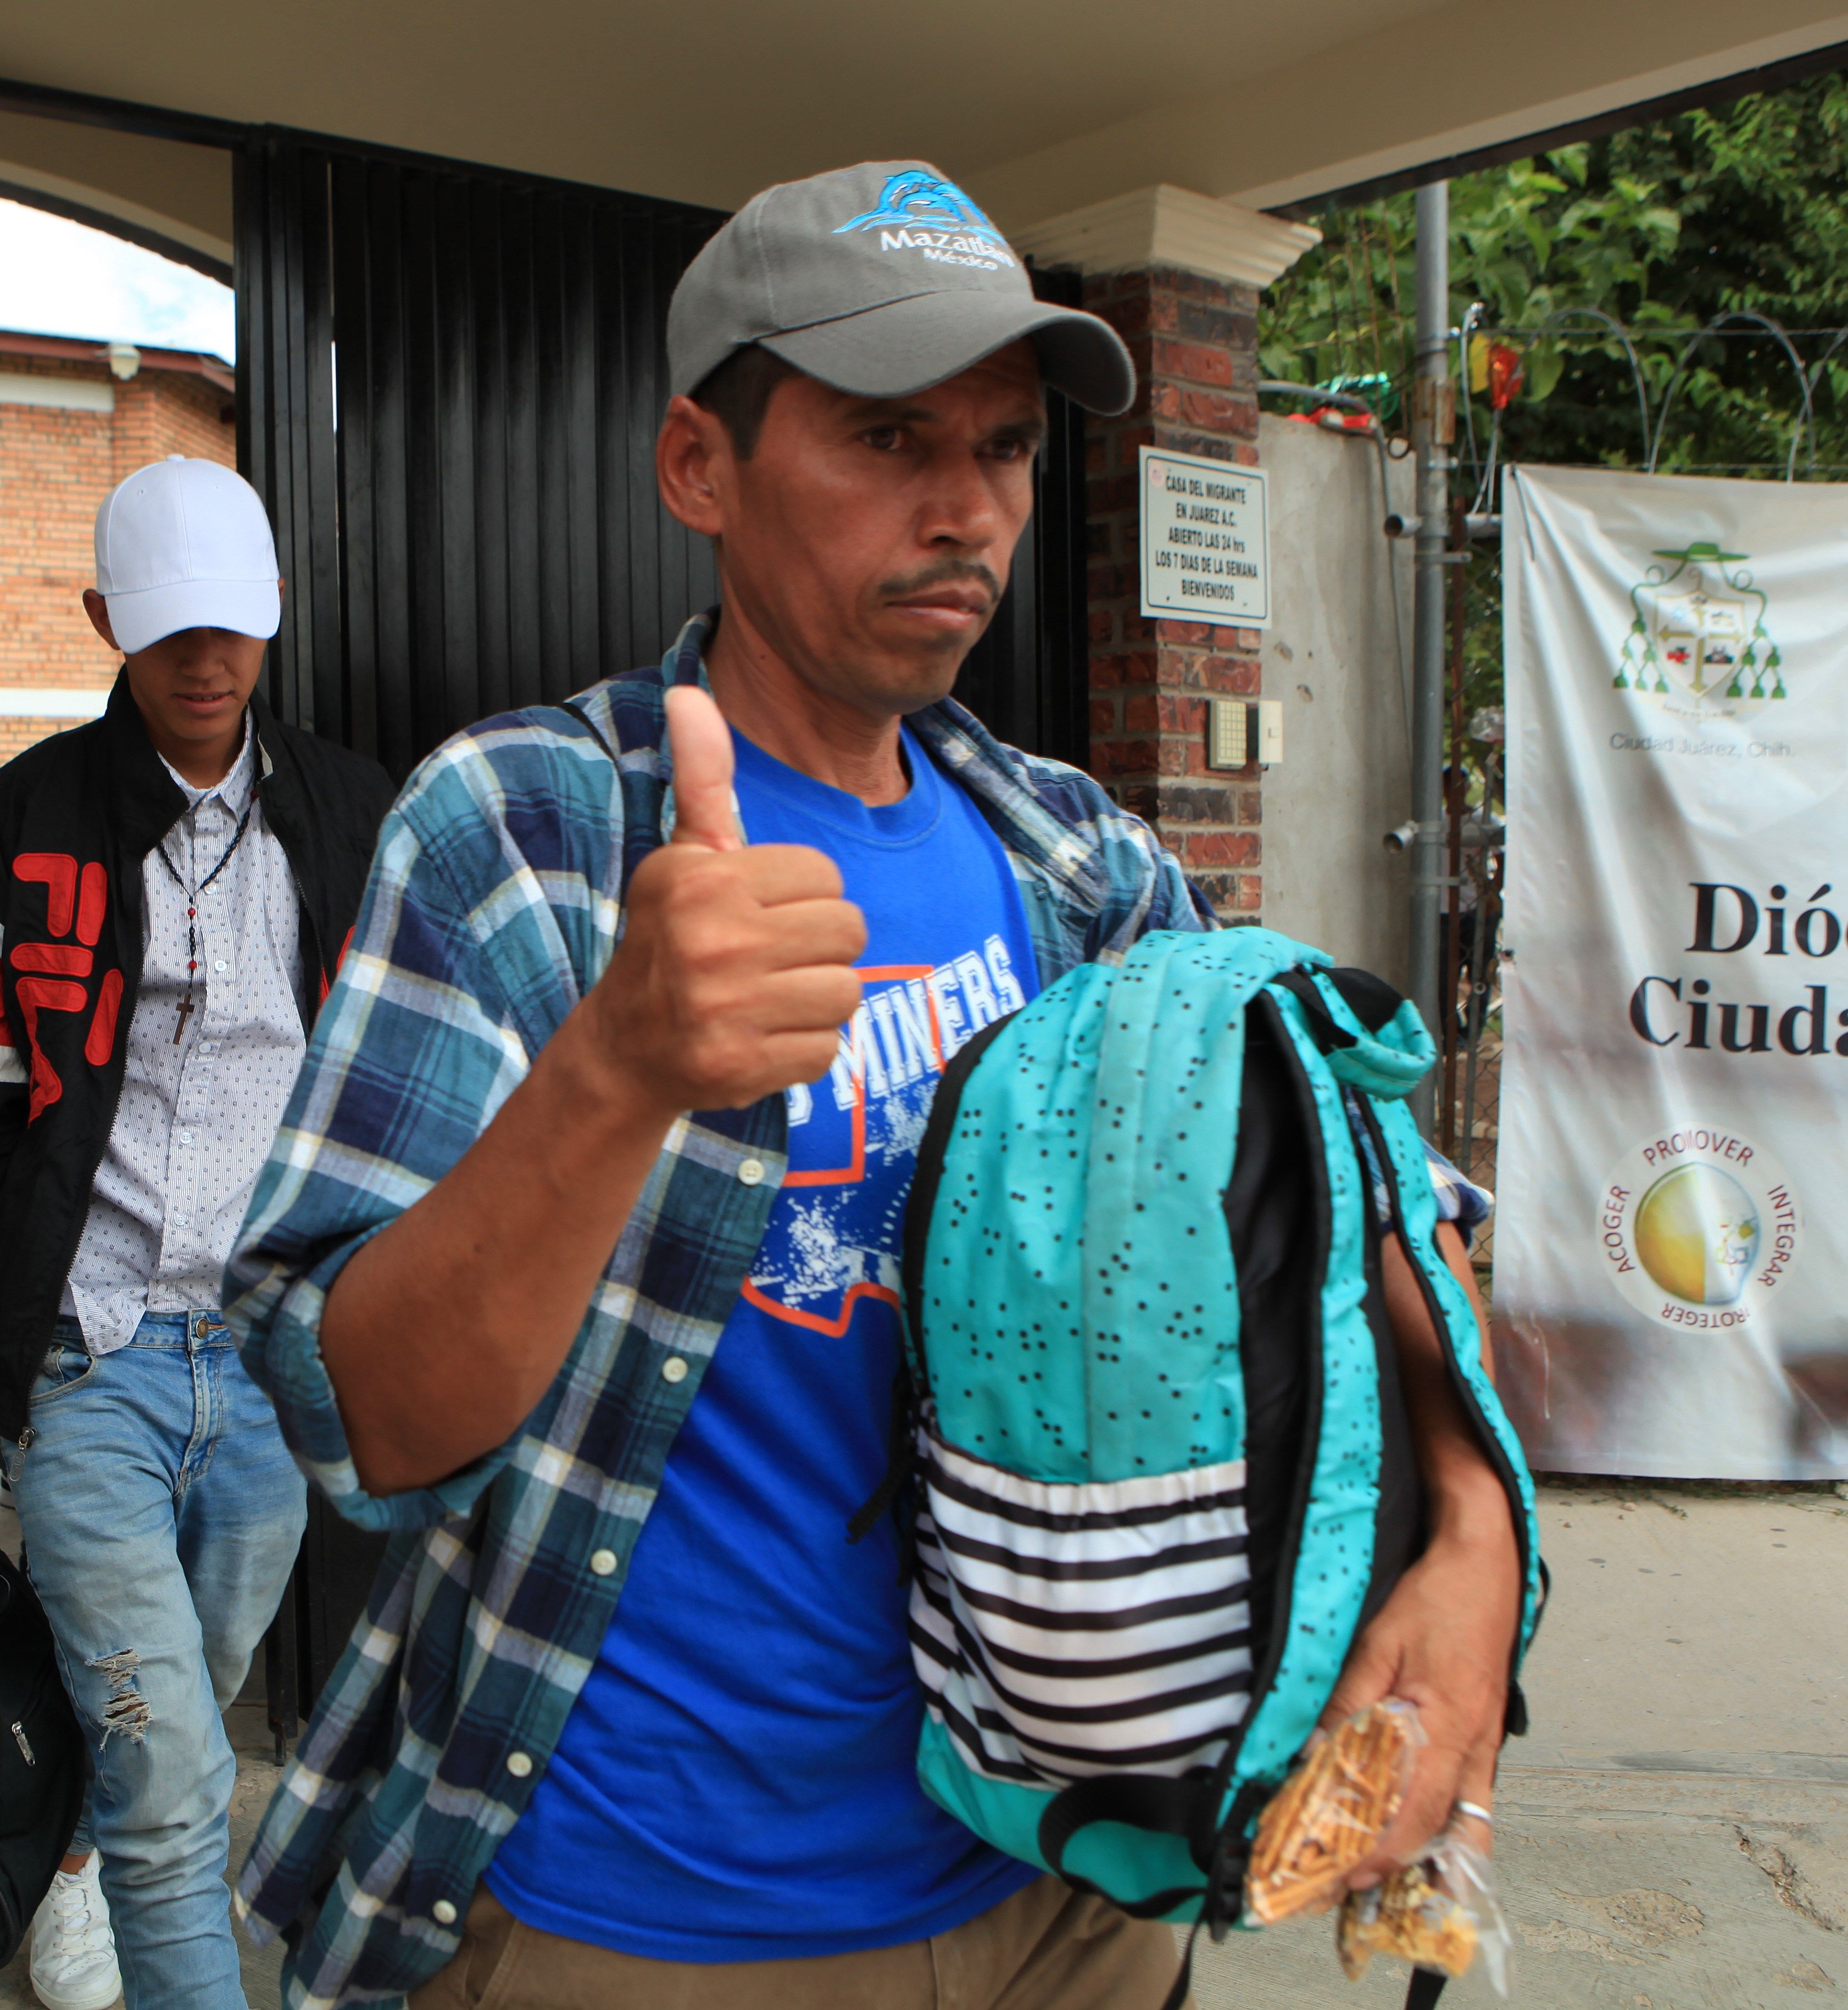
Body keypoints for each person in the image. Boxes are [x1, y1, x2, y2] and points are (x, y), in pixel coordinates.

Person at [224, 161, 1525, 2010]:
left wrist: (1473, 1536)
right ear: (699, 464)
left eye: (1001, 448)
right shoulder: (523, 831)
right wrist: (616, 1065)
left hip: (1074, 1874)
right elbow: (351, 1413)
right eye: (889, 435)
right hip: (649, 1913)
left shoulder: (1084, 866)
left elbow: (1385, 1199)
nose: (964, 507)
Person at [0, 458, 396, 2010]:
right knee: (175, 1782)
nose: (207, 662)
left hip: (273, 1354)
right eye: (169, 632)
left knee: (196, 1685)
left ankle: (79, 1861)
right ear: (106, 623)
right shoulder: (10, 839)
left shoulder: (355, 815)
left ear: (274, 616)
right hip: (90, 1356)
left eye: (233, 625)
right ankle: (136, 1866)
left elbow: (402, 1097)